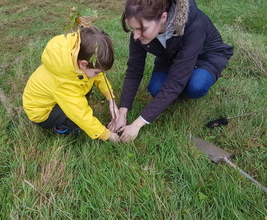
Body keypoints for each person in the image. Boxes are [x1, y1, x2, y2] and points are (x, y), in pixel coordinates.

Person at [109, 0, 233, 141]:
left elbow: (175, 82)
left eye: (142, 29)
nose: (136, 35)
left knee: (195, 86)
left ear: (163, 17)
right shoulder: (139, 31)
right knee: (156, 89)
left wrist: (137, 125)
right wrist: (122, 112)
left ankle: (186, 86)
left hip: (205, 57)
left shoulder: (194, 26)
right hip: (172, 57)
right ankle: (172, 94)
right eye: (133, 29)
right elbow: (134, 70)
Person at [23, 25, 120, 142]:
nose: (98, 75)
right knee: (77, 122)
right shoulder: (64, 83)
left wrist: (110, 99)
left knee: (88, 80)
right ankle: (61, 128)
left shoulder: (78, 55)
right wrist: (107, 135)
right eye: (97, 72)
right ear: (83, 64)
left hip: (57, 97)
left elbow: (99, 76)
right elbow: (80, 115)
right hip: (42, 112)